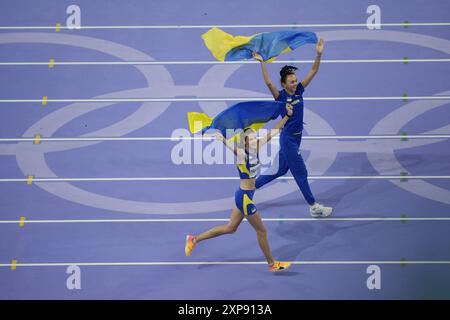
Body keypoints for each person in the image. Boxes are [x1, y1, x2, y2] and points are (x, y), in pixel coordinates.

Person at [185, 103, 294, 272]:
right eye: (251, 137)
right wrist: (222, 139)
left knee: (230, 228)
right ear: (245, 141)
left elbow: (274, 131)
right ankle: (272, 264)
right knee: (262, 231)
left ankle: (194, 239)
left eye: (254, 136)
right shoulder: (242, 154)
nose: (255, 138)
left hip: (243, 195)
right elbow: (231, 147)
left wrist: (286, 116)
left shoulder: (256, 146)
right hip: (244, 198)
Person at [252, 38, 333, 217]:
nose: (295, 83)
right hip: (288, 140)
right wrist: (262, 63)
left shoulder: (299, 91)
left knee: (280, 170)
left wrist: (318, 54)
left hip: (296, 137)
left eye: (295, 80)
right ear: (284, 84)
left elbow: (313, 70)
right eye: (291, 82)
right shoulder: (280, 97)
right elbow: (268, 83)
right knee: (301, 173)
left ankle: (250, 188)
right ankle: (314, 206)